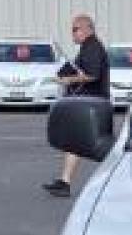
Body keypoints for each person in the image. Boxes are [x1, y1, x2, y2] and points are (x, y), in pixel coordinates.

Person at [43, 13, 110, 197]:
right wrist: (63, 75)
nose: (73, 33)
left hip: (93, 105)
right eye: (72, 30)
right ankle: (64, 182)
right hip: (86, 104)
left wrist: (69, 79)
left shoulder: (94, 48)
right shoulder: (86, 49)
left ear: (87, 29)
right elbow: (77, 68)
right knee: (75, 142)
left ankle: (118, 179)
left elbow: (92, 75)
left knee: (103, 147)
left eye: (75, 29)